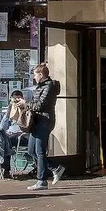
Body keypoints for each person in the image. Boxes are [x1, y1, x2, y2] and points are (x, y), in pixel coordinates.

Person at [17, 63, 65, 191]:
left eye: (35, 74)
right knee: (31, 150)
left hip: (44, 121)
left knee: (40, 151)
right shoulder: (41, 86)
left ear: (41, 74)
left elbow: (40, 105)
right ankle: (55, 168)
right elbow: (36, 104)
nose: (34, 77)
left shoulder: (49, 86)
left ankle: (42, 181)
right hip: (37, 121)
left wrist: (25, 103)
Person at [0, 90, 29, 178]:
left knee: (5, 141)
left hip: (22, 136)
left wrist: (22, 109)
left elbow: (26, 125)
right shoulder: (11, 110)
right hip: (10, 135)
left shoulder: (26, 109)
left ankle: (5, 168)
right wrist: (8, 112)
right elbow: (2, 127)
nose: (16, 102)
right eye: (14, 99)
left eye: (18, 99)